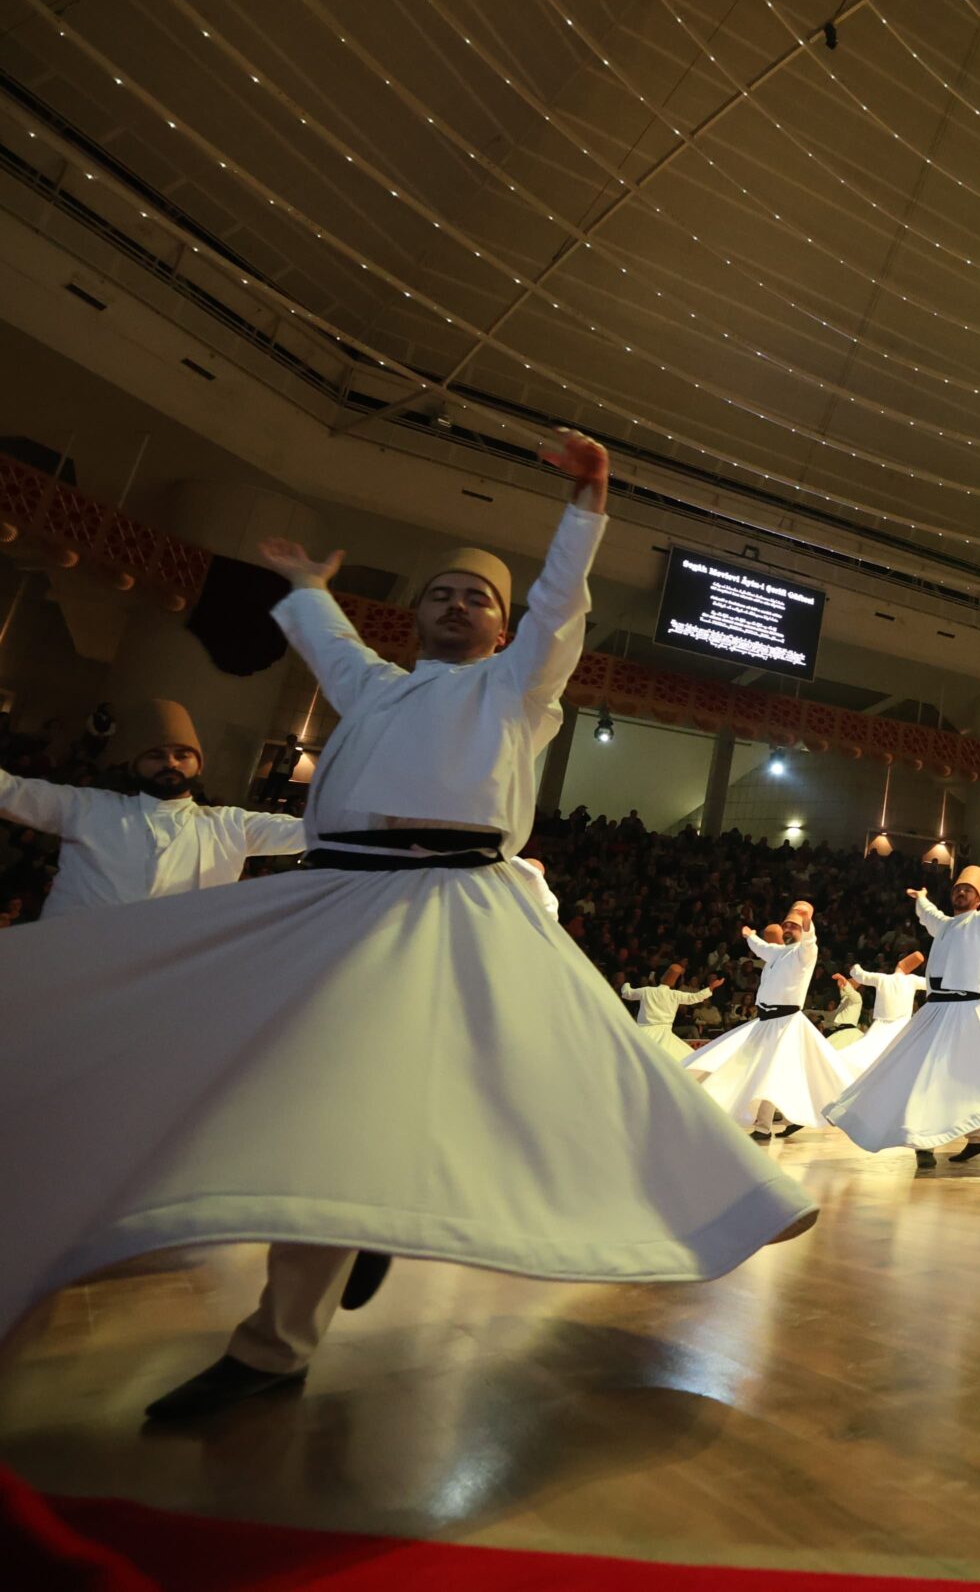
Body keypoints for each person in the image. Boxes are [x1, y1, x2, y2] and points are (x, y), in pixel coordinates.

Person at [0, 430, 816, 1423]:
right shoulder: (375, 687)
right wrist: (304, 588)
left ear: (504, 626)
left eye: (479, 596)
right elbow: (329, 641)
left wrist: (586, 510)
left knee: (514, 1090)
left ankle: (279, 1341)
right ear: (415, 613)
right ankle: (283, 1314)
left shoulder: (515, 689)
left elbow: (560, 608)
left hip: (448, 908)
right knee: (287, 1098)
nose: (457, 602)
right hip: (337, 901)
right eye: (440, 591)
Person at [826, 861, 980, 1170]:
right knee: (931, 1073)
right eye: (957, 890)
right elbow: (929, 914)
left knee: (947, 1075)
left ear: (978, 899)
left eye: (967, 891)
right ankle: (971, 1137)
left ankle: (934, 1140)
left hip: (964, 1010)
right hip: (936, 1010)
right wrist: (922, 897)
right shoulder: (943, 925)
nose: (961, 894)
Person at [0, 700, 306, 917]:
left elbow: (313, 830)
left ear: (198, 764)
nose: (170, 762)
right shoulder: (87, 807)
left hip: (170, 979)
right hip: (71, 966)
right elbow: (10, 792)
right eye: (156, 755)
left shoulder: (229, 825)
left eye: (182, 755)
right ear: (135, 765)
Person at [683, 903, 848, 1143]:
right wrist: (750, 935)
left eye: (793, 925)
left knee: (772, 1072)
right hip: (765, 1021)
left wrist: (807, 921)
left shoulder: (805, 952)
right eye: (786, 925)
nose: (789, 928)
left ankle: (764, 1126)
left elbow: (811, 941)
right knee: (751, 1066)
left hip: (785, 1023)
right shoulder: (777, 953)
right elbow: (761, 947)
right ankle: (766, 1121)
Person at [830, 950, 927, 1080]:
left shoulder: (884, 979)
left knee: (868, 1053)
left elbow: (861, 976)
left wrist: (854, 967)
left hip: (881, 1025)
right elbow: (930, 983)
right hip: (902, 1026)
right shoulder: (912, 980)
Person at [624, 961, 723, 1062]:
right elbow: (695, 997)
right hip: (663, 1035)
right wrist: (711, 988)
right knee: (679, 1061)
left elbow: (627, 993)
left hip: (644, 1033)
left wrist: (626, 983)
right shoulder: (674, 995)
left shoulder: (647, 991)